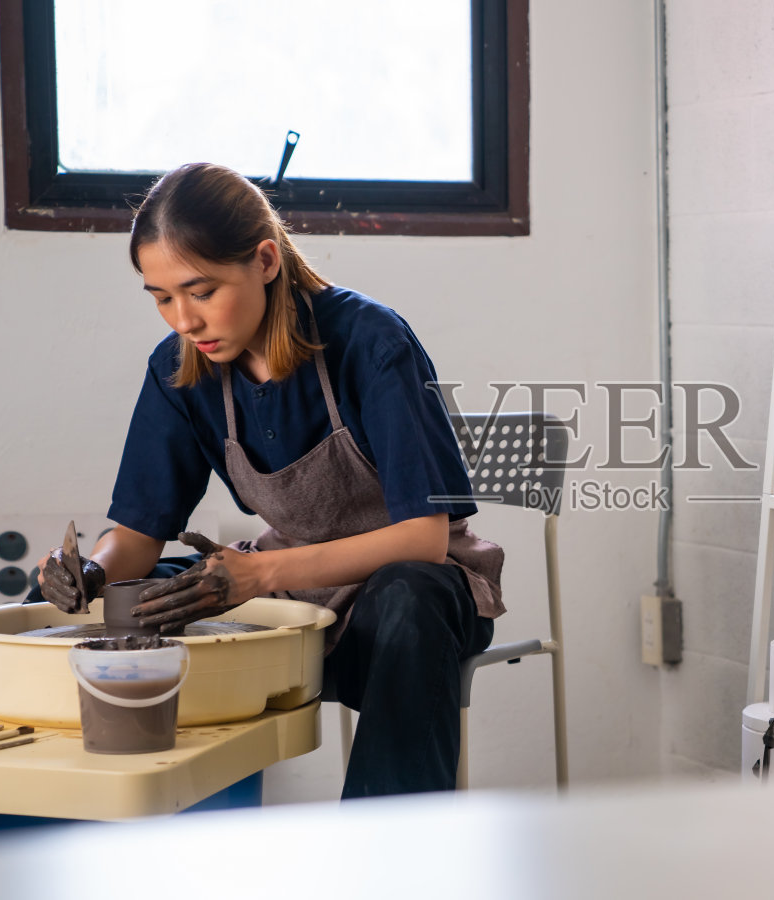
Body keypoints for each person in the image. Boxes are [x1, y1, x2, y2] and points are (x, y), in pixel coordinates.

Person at [34, 162, 504, 799]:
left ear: (264, 260)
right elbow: (137, 538)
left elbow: (423, 538)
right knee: (141, 596)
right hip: (294, 601)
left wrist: (259, 576)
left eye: (201, 292)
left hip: (407, 605)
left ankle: (391, 858)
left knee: (409, 592)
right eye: (162, 297)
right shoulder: (180, 368)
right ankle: (151, 821)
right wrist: (92, 570)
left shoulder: (370, 340)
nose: (183, 321)